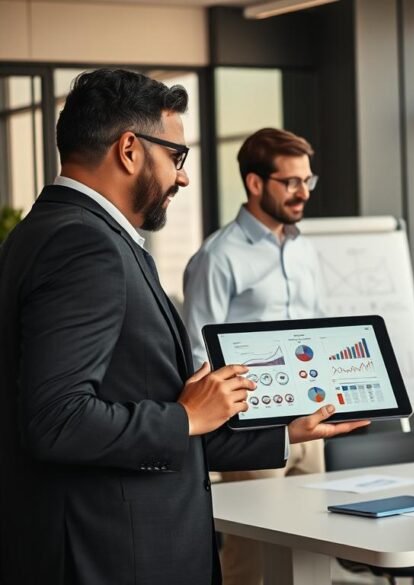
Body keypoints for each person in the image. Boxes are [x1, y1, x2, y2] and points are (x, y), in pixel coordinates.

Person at [0, 69, 368, 585]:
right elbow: (57, 420)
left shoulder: (49, 231)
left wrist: (280, 431)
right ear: (130, 149)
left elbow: (143, 402)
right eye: (177, 156)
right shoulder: (85, 246)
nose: (183, 177)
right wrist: (185, 417)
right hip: (114, 553)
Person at [182, 127, 328, 585]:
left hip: (310, 418)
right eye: (291, 182)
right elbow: (196, 352)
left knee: (311, 544)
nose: (302, 192)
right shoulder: (218, 256)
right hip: (254, 426)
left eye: (308, 180)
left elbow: (319, 329)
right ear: (255, 183)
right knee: (254, 556)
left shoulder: (304, 248)